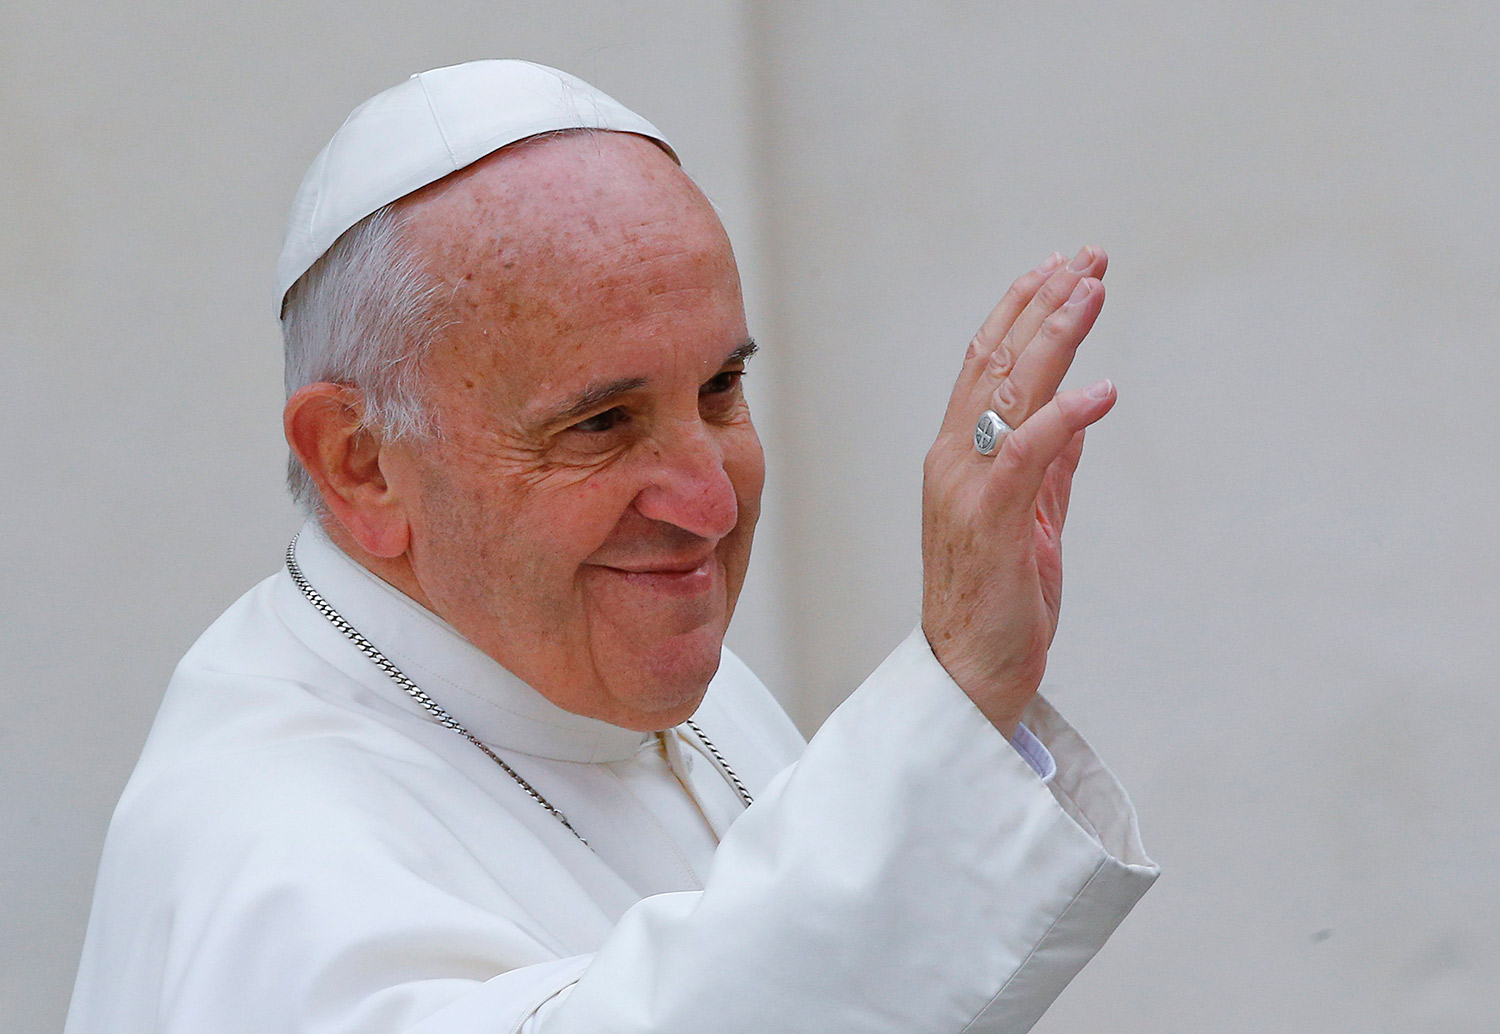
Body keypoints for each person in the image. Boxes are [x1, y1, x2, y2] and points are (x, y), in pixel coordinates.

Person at [65, 60, 1157, 1033]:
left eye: (720, 388)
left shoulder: (635, 670)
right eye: (601, 423)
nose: (708, 504)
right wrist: (955, 691)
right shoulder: (260, 844)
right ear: (361, 462)